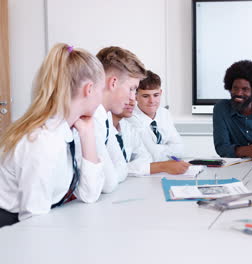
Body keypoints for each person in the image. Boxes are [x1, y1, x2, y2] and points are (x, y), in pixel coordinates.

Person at [0, 44, 105, 227]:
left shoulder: (68, 128)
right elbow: (33, 222)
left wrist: (88, 137)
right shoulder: (42, 141)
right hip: (10, 231)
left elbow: (90, 194)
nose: (102, 97)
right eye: (101, 90)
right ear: (89, 89)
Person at [93, 46, 147, 192]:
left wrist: (112, 175)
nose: (132, 98)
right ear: (113, 83)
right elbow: (108, 184)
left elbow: (122, 167)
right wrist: (111, 176)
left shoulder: (105, 117)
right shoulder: (91, 120)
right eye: (131, 89)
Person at [111, 96, 190, 176]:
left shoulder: (126, 126)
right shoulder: (130, 120)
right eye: (145, 96)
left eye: (133, 91)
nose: (133, 101)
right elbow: (112, 171)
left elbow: (145, 158)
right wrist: (162, 166)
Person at [127, 71, 184, 162]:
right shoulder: (131, 117)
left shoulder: (164, 113)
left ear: (160, 93)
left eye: (156, 95)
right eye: (145, 96)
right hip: (143, 173)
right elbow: (153, 155)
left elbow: (180, 150)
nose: (152, 101)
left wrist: (157, 149)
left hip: (165, 170)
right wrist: (167, 148)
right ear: (136, 96)